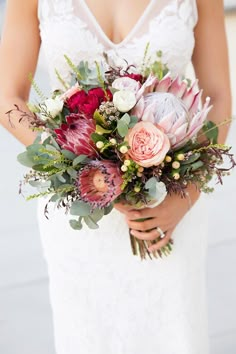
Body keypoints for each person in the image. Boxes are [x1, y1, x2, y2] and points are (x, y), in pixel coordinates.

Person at [0, 1, 232, 353]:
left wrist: (186, 196)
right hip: (78, 203)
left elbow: (218, 95)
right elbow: (8, 97)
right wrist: (74, 162)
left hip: (168, 208)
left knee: (175, 333)